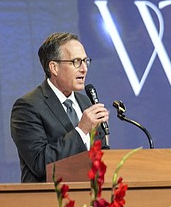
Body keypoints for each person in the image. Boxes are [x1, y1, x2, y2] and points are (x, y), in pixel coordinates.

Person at [10, 32, 110, 183]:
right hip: (50, 201)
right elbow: (40, 163)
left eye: (85, 61)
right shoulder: (27, 107)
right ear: (54, 67)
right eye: (76, 61)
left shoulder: (86, 103)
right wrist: (81, 130)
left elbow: (102, 157)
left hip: (90, 199)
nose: (84, 69)